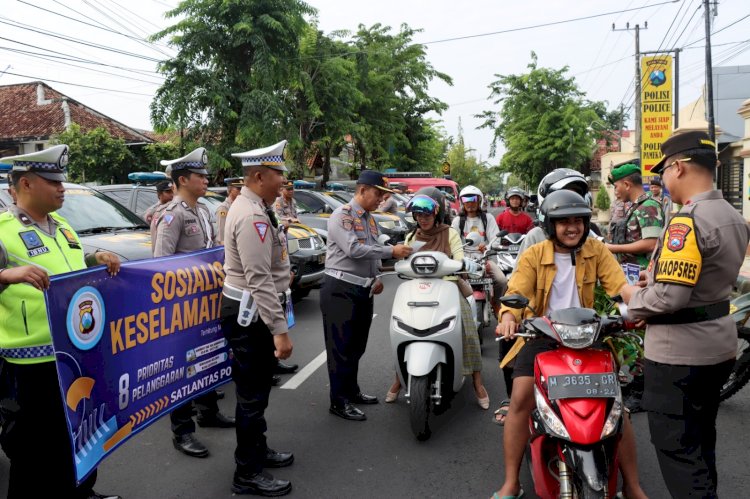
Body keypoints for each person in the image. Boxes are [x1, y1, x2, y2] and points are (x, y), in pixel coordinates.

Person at [492, 190, 647, 499]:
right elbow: (516, 291)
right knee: (520, 399)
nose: (572, 227)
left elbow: (620, 287)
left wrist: (641, 304)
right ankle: (512, 481)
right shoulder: (535, 254)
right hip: (542, 336)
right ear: (550, 225)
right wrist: (509, 316)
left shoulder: (597, 250)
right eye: (563, 222)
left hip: (588, 336)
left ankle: (632, 485)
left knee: (616, 407)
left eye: (578, 221)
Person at [621, 131, 750, 499]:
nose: (662, 179)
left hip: (679, 356)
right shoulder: (731, 216)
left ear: (678, 167)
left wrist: (633, 297)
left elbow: (670, 298)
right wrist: (656, 277)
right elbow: (699, 277)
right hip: (718, 346)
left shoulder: (686, 220)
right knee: (700, 442)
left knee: (679, 452)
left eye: (663, 171)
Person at [0, 145, 122, 499]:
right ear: (26, 183)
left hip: (76, 352)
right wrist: (8, 275)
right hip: (32, 364)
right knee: (33, 451)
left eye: (62, 181)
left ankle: (80, 492)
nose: (61, 188)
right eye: (52, 181)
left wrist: (95, 256)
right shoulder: (3, 230)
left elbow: (70, 264)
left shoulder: (64, 226)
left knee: (82, 433)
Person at [219, 140, 296, 496]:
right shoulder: (251, 214)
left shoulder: (258, 207)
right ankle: (247, 473)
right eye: (278, 173)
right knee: (251, 396)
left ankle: (258, 452)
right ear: (258, 175)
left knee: (258, 392)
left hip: (253, 310)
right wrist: (279, 330)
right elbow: (257, 277)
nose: (282, 180)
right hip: (251, 315)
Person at [153, 147, 235, 458]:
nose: (205, 180)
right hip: (181, 306)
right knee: (183, 366)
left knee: (208, 356)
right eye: (200, 176)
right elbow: (161, 264)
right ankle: (182, 430)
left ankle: (209, 412)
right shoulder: (171, 215)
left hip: (206, 301)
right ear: (183, 179)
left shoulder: (202, 211)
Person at [321, 170, 413, 421]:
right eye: (378, 193)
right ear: (362, 190)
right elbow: (353, 248)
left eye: (384, 195)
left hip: (362, 289)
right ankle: (338, 401)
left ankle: (351, 391)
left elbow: (371, 248)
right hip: (340, 289)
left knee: (356, 346)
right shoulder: (343, 215)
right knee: (340, 347)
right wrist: (391, 251)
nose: (382, 199)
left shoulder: (369, 219)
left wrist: (376, 277)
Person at [386, 193, 489, 408]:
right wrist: (399, 258)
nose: (422, 219)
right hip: (417, 288)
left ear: (436, 214)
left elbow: (459, 256)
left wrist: (463, 264)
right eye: (418, 215)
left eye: (426, 214)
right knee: (400, 329)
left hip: (448, 285)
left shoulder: (449, 233)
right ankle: (398, 378)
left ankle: (477, 382)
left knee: (468, 331)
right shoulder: (411, 236)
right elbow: (404, 260)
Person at [451, 184, 507, 313]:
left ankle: (496, 302)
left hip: (484, 258)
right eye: (466, 200)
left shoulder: (488, 218)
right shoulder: (458, 221)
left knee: (502, 280)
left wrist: (487, 247)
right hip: (463, 260)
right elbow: (453, 241)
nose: (470, 203)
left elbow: (496, 238)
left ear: (480, 201)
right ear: (461, 202)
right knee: (453, 280)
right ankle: (458, 307)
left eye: (473, 200)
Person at [605, 162, 665, 270]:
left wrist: (613, 248)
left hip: (644, 276)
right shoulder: (637, 206)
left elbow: (652, 243)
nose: (615, 191)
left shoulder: (648, 206)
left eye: (616, 186)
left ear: (627, 185)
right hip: (633, 274)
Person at [215, 177, 242, 245]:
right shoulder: (224, 208)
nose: (241, 191)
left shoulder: (240, 206)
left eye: (242, 189)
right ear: (230, 190)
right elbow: (221, 236)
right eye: (238, 189)